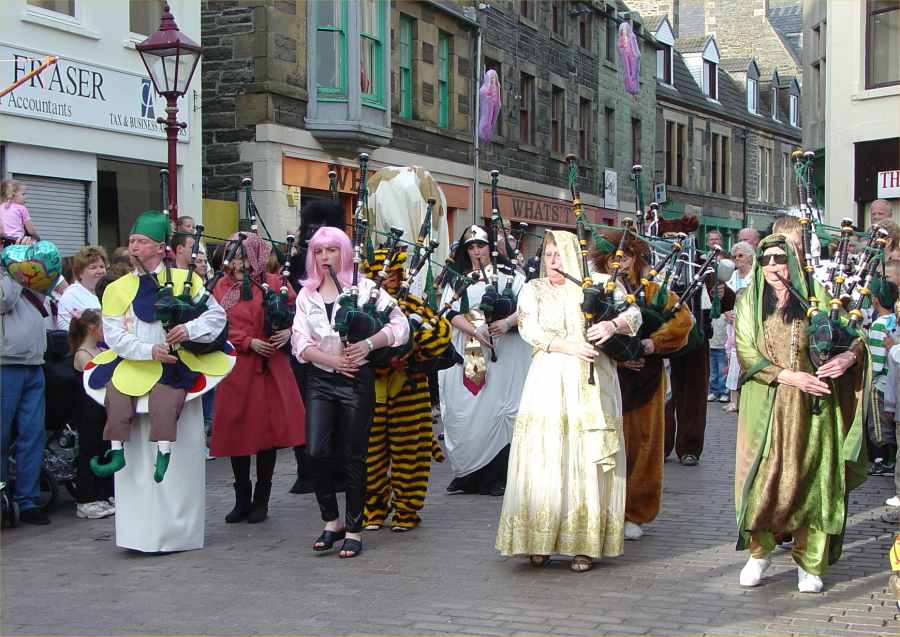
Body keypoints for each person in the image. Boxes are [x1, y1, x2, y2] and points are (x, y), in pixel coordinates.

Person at [85, 210, 231, 552]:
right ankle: (138, 532)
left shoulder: (185, 279)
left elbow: (216, 316)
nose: (133, 246)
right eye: (132, 241)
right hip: (135, 366)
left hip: (178, 370)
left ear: (160, 247)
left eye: (141, 241)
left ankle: (178, 532)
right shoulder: (118, 288)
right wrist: (148, 350)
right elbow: (115, 335)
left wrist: (189, 329)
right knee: (121, 415)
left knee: (175, 436)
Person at [495, 230, 639, 571]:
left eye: (559, 254)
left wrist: (612, 326)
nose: (553, 262)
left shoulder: (601, 283)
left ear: (575, 254)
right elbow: (530, 329)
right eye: (547, 255)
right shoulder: (534, 289)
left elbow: (634, 316)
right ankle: (539, 539)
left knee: (584, 457)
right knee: (546, 457)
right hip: (548, 378)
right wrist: (569, 346)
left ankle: (584, 544)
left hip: (590, 383)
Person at [734, 233, 869, 593]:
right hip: (771, 406)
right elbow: (746, 351)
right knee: (767, 482)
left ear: (793, 262)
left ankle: (810, 562)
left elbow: (852, 334)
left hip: (817, 410)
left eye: (780, 259)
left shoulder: (816, 296)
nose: (773, 267)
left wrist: (848, 356)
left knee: (815, 482)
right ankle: (759, 552)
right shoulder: (750, 300)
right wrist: (791, 376)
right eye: (766, 260)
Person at [291, 227, 409, 559]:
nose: (324, 257)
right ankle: (332, 520)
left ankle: (354, 528)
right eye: (318, 251)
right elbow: (299, 342)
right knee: (315, 451)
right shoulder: (307, 294)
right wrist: (332, 361)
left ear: (343, 252)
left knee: (354, 455)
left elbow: (400, 326)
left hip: (357, 378)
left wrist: (368, 344)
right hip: (321, 378)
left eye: (330, 250)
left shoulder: (365, 288)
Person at [592, 230, 693, 541]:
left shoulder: (653, 292)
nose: (619, 264)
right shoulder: (596, 289)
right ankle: (601, 509)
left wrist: (651, 344)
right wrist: (620, 357)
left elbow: (683, 322)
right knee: (607, 447)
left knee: (643, 446)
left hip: (646, 382)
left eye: (626, 257)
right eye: (613, 258)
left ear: (637, 259)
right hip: (607, 378)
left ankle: (635, 511)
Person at [211, 233, 305, 524]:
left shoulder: (276, 283)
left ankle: (261, 499)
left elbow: (301, 315)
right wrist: (246, 341)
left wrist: (288, 333)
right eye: (234, 256)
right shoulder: (221, 287)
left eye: (243, 256)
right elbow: (216, 325)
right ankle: (242, 499)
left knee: (267, 436)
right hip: (238, 369)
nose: (238, 263)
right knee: (238, 434)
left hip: (270, 369)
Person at [361, 249, 452, 532]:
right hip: (371, 392)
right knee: (370, 457)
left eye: (390, 274)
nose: (385, 280)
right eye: (378, 275)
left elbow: (440, 334)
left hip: (409, 392)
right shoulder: (359, 304)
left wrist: (413, 349)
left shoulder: (414, 305)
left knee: (409, 456)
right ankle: (373, 509)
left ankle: (407, 510)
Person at [438, 225, 531, 496]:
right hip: (471, 351)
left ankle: (497, 476)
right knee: (467, 411)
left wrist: (506, 322)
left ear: (489, 247)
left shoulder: (511, 276)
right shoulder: (457, 280)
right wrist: (473, 329)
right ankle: (468, 473)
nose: (476, 251)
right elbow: (449, 312)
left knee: (499, 411)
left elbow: (529, 306)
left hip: (506, 354)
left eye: (480, 245)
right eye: (471, 247)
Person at [287, 198, 345, 495]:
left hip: (339, 350)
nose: (313, 235)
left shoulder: (347, 268)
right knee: (303, 408)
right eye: (309, 229)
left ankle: (339, 471)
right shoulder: (295, 262)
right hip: (304, 346)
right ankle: (307, 470)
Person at [0, 245, 57, 525]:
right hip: (5, 364)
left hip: (34, 362)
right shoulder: (8, 273)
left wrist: (31, 261)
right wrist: (11, 269)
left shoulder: (20, 268)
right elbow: (4, 301)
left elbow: (43, 292)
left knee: (32, 435)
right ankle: (3, 498)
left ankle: (28, 499)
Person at [69, 309, 115, 519]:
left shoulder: (100, 350)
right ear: (92, 328)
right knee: (90, 451)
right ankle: (86, 498)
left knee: (105, 448)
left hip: (103, 411)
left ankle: (105, 492)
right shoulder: (82, 354)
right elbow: (97, 378)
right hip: (88, 413)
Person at [866, 279, 898, 478]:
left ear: (876, 301)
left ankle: (883, 461)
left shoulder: (878, 325)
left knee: (879, 424)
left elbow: (877, 360)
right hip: (894, 381)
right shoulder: (895, 320)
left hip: (881, 383)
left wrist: (872, 378)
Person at [57, 246, 108, 332]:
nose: (100, 271)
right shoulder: (70, 295)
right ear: (80, 272)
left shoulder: (107, 291)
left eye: (102, 267)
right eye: (93, 267)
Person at [0, 180, 40, 245]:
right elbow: (30, 229)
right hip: (17, 241)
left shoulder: (1, 207)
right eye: (23, 194)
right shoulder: (21, 208)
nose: (25, 197)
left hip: (3, 241)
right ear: (13, 195)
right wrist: (36, 236)